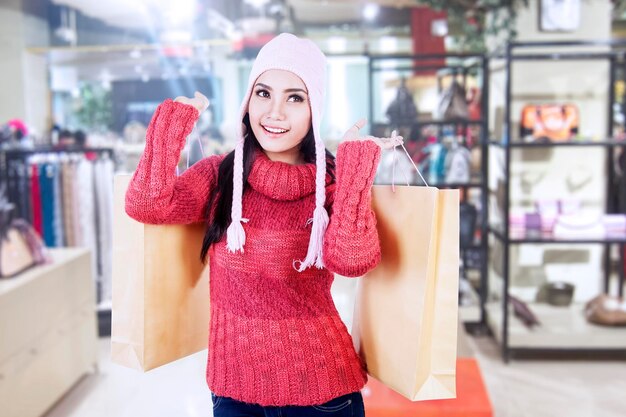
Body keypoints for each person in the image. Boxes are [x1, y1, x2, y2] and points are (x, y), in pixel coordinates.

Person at [125, 33, 402, 417]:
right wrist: (175, 119)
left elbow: (352, 261)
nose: (275, 113)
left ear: (314, 108)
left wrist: (356, 171)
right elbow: (146, 203)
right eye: (263, 93)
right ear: (247, 101)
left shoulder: (331, 183)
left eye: (295, 97)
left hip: (323, 396)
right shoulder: (221, 175)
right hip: (234, 394)